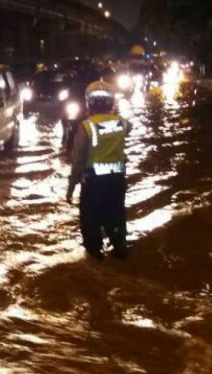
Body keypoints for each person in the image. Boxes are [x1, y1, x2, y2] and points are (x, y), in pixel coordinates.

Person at [66, 81, 131, 260]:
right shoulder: (122, 123)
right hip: (116, 181)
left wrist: (70, 189)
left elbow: (78, 161)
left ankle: (95, 257)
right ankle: (120, 251)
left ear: (89, 103)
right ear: (111, 103)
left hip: (93, 184)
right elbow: (126, 132)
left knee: (91, 223)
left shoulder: (87, 126)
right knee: (116, 216)